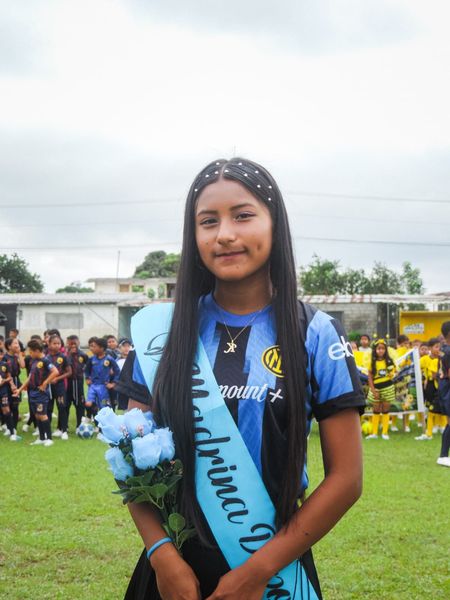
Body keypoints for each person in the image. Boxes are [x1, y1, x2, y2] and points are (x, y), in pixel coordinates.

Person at [119, 158, 365, 600]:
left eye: (243, 215)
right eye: (208, 221)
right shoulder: (160, 333)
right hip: (173, 572)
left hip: (274, 572)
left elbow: (346, 478)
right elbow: (130, 461)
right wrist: (161, 554)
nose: (225, 234)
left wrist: (257, 572)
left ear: (275, 224)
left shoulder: (316, 333)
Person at [14, 339, 59, 446]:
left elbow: (55, 371)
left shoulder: (45, 361)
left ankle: (49, 439)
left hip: (41, 393)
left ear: (37, 351)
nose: (29, 353)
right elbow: (30, 377)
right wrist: (20, 389)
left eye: (31, 351)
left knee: (43, 415)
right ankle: (41, 438)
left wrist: (45, 383)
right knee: (37, 415)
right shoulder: (33, 361)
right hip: (32, 392)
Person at [366, 339, 396, 440]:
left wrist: (393, 373)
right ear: (375, 350)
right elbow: (370, 377)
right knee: (376, 410)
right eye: (379, 348)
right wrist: (373, 390)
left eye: (383, 348)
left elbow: (394, 372)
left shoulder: (389, 361)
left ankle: (385, 432)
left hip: (388, 387)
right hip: (376, 388)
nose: (381, 350)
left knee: (386, 410)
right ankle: (374, 433)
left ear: (386, 350)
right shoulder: (372, 362)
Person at [85, 336, 120, 419]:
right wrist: (87, 378)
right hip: (93, 386)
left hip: (103, 387)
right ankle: (89, 418)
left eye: (95, 347)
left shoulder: (109, 359)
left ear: (101, 348)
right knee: (88, 403)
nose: (92, 349)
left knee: (104, 407)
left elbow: (117, 371)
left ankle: (104, 424)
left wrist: (113, 383)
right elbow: (87, 370)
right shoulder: (91, 359)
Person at [416, 338, 443, 441]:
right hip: (431, 385)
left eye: (439, 347)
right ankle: (430, 431)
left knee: (441, 408)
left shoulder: (442, 358)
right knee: (431, 408)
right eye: (436, 347)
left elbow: (436, 374)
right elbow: (418, 368)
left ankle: (439, 427)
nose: (438, 349)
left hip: (441, 385)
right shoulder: (426, 359)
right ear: (430, 348)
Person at [46, 334, 72, 439]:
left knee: (62, 407)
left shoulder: (63, 357)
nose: (57, 345)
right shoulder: (46, 358)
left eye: (58, 343)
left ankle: (64, 431)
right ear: (49, 344)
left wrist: (57, 378)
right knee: (48, 408)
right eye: (54, 343)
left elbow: (69, 372)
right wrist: (48, 380)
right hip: (48, 387)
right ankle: (47, 431)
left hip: (60, 387)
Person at [66, 335, 88, 432]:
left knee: (80, 405)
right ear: (67, 344)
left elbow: (88, 366)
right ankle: (63, 427)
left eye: (75, 343)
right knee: (65, 405)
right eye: (70, 343)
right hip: (67, 383)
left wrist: (87, 376)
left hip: (78, 382)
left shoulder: (83, 355)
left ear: (78, 343)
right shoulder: (65, 355)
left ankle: (80, 426)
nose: (73, 346)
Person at [4, 337, 25, 430]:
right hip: (6, 383)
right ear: (9, 346)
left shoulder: (16, 357)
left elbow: (23, 366)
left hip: (16, 381)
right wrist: (10, 383)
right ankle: (7, 426)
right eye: (15, 343)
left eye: (18, 343)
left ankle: (14, 429)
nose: (17, 345)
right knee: (6, 405)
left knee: (15, 406)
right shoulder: (5, 358)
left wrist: (19, 353)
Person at [437, 322, 450, 467]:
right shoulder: (448, 351)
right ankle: (443, 455)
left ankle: (444, 455)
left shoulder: (443, 350)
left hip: (444, 387)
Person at [0, 356, 20, 441]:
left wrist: (6, 382)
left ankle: (12, 433)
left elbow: (9, 377)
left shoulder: (4, 365)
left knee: (6, 410)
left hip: (3, 391)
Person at [116, 338, 133, 411]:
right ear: (119, 348)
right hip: (122, 388)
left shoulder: (135, 361)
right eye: (124, 346)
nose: (126, 348)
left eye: (128, 346)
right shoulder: (116, 362)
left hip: (132, 388)